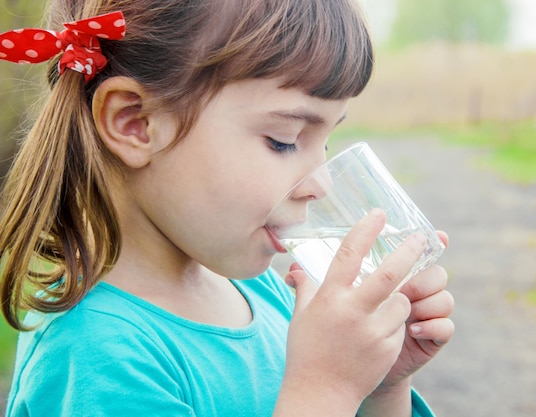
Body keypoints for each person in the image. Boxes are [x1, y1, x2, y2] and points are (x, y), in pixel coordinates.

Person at [0, 1, 454, 416]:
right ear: (135, 123)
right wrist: (326, 387)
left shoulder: (257, 292)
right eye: (285, 139)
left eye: (327, 140)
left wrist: (378, 386)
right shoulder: (97, 356)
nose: (321, 183)